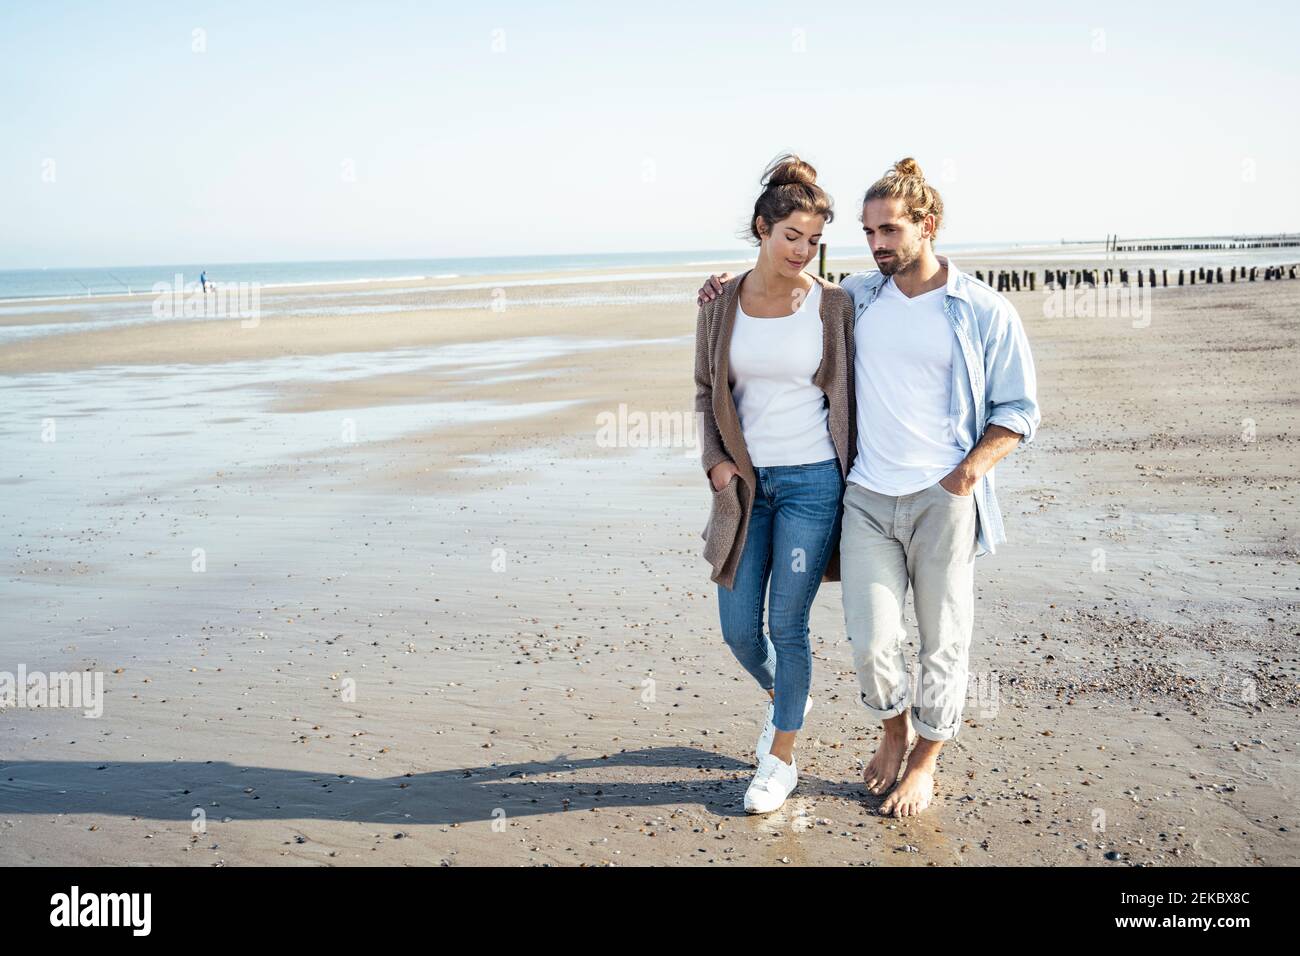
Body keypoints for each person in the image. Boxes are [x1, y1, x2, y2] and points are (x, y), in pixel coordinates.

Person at [698, 158, 1040, 818]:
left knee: (943, 641)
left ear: (927, 225)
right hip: (866, 498)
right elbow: (783, 288)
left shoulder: (981, 309)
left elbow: (1018, 409)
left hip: (945, 502)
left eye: (889, 230)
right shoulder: (855, 298)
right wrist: (724, 283)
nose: (877, 244)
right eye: (868, 232)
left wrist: (964, 476)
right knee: (872, 642)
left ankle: (924, 762)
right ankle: (893, 731)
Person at [694, 154, 857, 814]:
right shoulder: (719, 303)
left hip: (813, 485)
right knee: (739, 631)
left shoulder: (833, 304)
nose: (803, 251)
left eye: (815, 241)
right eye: (792, 236)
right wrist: (716, 465)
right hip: (747, 490)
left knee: (788, 625)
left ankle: (780, 758)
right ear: (763, 229)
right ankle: (788, 694)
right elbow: (706, 391)